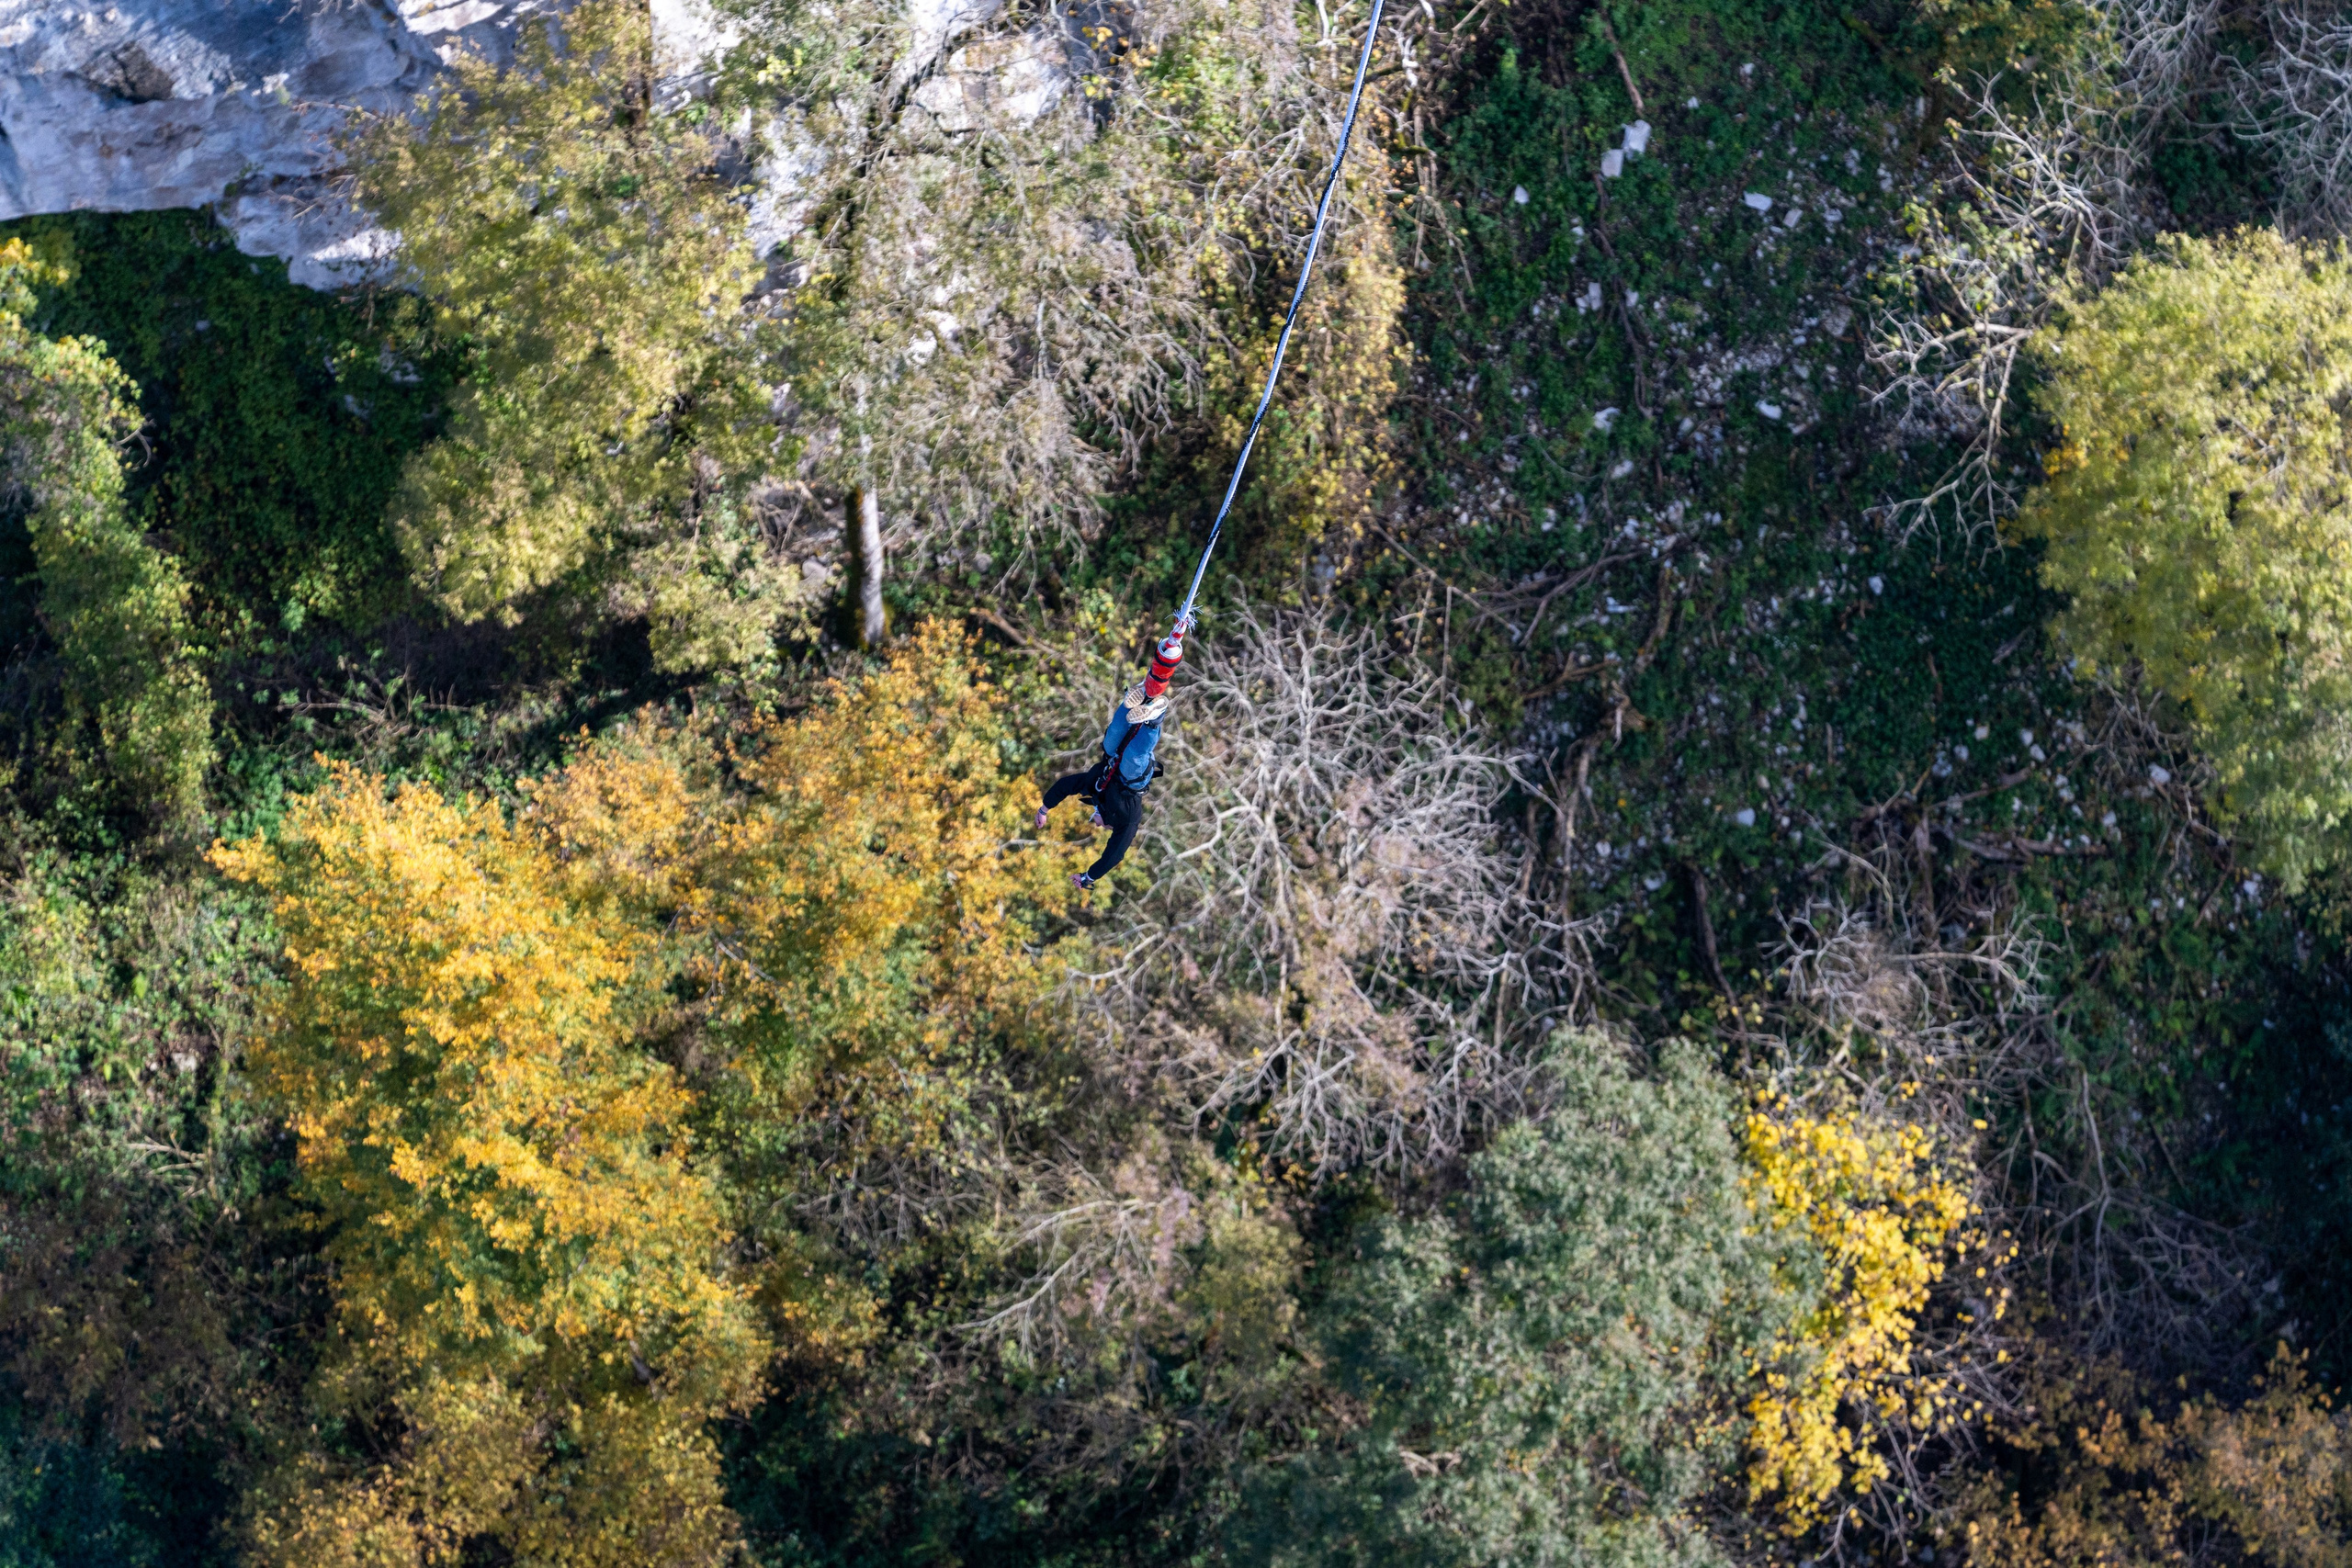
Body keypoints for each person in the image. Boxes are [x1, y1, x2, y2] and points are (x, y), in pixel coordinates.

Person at [1037, 623, 1187, 888]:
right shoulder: (1126, 822)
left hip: (1112, 759)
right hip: (1132, 780)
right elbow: (1114, 854)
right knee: (1133, 757)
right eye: (1096, 823)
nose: (1094, 823)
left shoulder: (1094, 788)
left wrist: (1045, 807)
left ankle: (1138, 697)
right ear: (1106, 824)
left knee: (1112, 739)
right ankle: (1155, 718)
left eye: (1091, 818)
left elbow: (1066, 785)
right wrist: (1088, 876)